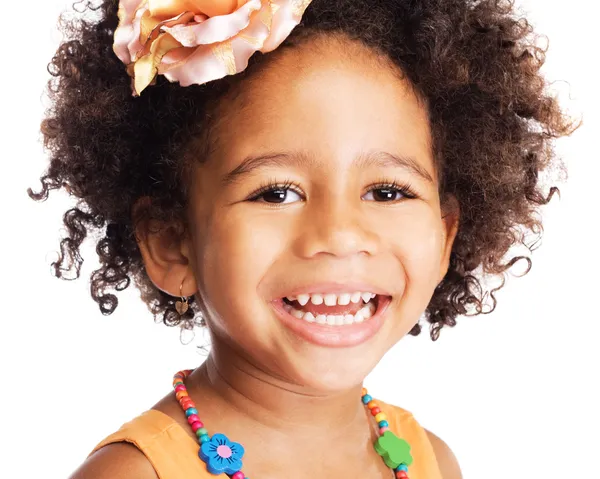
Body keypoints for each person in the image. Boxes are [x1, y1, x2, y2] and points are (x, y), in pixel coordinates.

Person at [30, 0, 573, 478]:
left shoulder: (426, 458)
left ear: (444, 236)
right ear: (173, 243)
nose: (338, 235)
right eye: (275, 193)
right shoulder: (134, 476)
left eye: (387, 192)